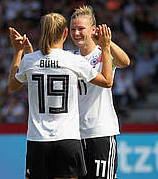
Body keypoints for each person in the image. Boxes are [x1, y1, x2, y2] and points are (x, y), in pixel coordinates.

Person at [8, 12, 113, 179]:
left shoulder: (29, 60)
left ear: (43, 32)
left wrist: (18, 52)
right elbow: (107, 81)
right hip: (68, 138)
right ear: (65, 33)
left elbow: (13, 85)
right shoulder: (73, 60)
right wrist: (106, 48)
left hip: (38, 139)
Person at [70, 5, 130, 179]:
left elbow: (124, 62)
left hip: (100, 132)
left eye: (81, 28)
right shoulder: (70, 57)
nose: (76, 33)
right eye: (73, 29)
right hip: (74, 133)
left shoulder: (103, 53)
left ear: (93, 30)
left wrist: (106, 43)